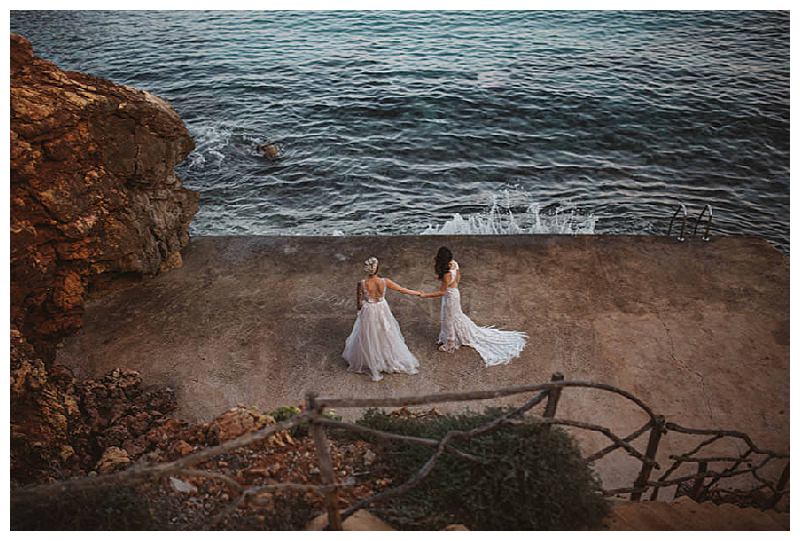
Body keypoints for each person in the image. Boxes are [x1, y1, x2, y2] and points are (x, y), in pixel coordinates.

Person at [420, 246, 527, 367]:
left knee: (449, 319)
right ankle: (454, 337)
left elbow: (442, 292)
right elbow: (459, 278)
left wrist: (425, 295)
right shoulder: (454, 264)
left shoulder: (446, 274)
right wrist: (452, 286)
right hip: (455, 292)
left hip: (450, 296)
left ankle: (450, 343)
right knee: (455, 316)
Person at [342, 257, 422, 381]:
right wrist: (418, 293)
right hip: (382, 309)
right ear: (377, 268)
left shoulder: (362, 283)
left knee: (369, 335)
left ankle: (372, 360)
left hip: (369, 310)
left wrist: (363, 306)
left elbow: (358, 304)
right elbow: (401, 289)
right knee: (386, 333)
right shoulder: (385, 281)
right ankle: (387, 357)